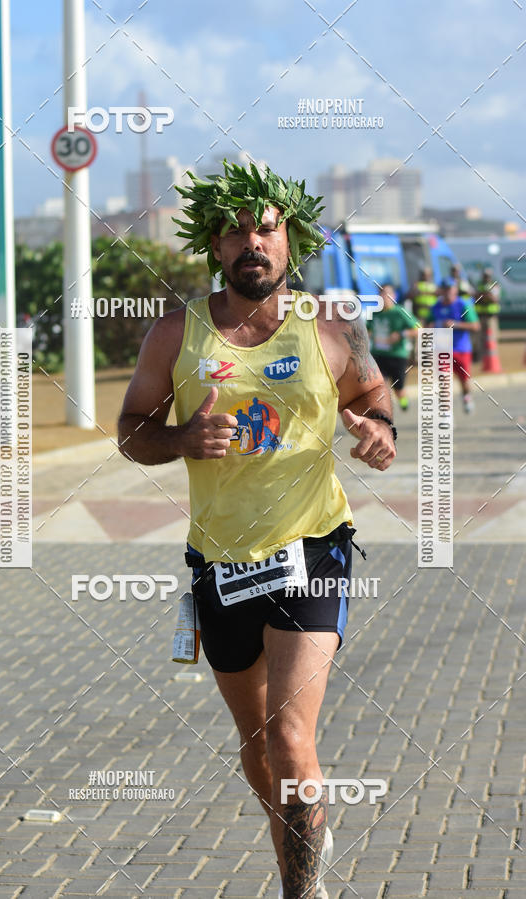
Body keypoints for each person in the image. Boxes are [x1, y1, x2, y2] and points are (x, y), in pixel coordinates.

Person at [117, 161, 397, 899]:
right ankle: (301, 832)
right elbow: (131, 430)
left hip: (313, 549)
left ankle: (301, 891)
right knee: (258, 752)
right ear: (215, 243)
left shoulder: (329, 324)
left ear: (289, 239)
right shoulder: (177, 331)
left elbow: (372, 390)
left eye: (267, 227)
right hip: (220, 562)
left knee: (289, 737)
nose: (253, 241)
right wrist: (179, 439)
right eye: (237, 228)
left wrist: (379, 428)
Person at [428, 278, 481, 413]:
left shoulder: (463, 305)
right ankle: (445, 414)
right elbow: (427, 325)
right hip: (442, 350)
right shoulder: (435, 307)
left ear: (455, 290)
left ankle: (466, 397)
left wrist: (455, 324)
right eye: (444, 290)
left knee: (464, 380)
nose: (447, 293)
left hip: (461, 349)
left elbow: (475, 326)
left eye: (450, 289)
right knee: (444, 382)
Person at [368, 284, 420, 410]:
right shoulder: (374, 313)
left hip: (397, 356)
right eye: (382, 294)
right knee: (381, 386)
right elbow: (367, 330)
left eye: (387, 294)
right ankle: (384, 413)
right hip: (378, 355)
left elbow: (418, 329)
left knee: (399, 389)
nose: (384, 297)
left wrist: (400, 334)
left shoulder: (400, 312)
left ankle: (403, 401)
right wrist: (370, 335)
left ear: (394, 296)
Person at [473, 266, 501, 365]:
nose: (486, 278)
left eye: (488, 276)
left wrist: (483, 296)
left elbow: (494, 299)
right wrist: (486, 295)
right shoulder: (478, 285)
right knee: (478, 337)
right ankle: (479, 358)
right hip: (480, 315)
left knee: (492, 337)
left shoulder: (495, 285)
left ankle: (492, 359)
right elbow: (476, 297)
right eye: (485, 276)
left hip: (490, 316)